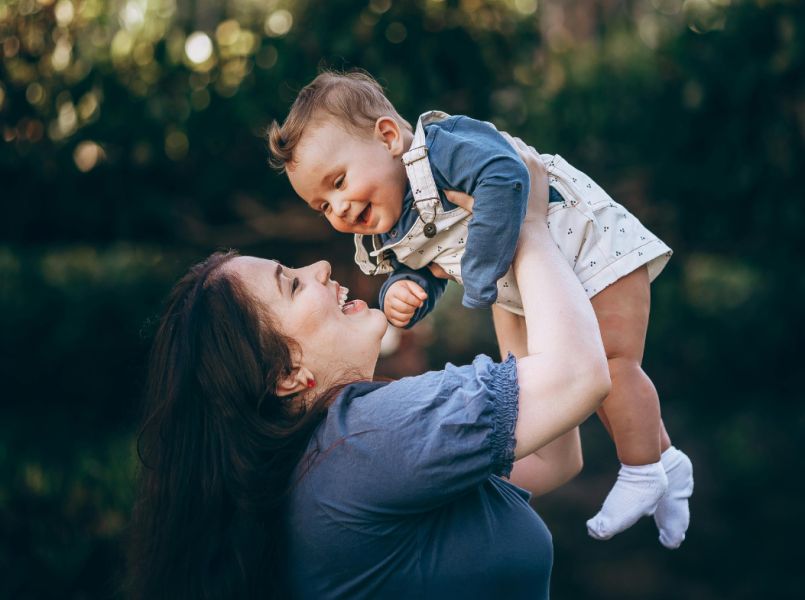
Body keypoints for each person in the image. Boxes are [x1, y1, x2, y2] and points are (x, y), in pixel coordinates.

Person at [128, 144, 610, 599]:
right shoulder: (361, 439)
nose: (318, 267)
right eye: (292, 286)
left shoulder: (324, 462)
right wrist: (523, 221)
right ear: (287, 373)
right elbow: (576, 377)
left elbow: (551, 459)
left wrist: (500, 261)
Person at [267, 70, 693, 546]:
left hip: (591, 245)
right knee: (604, 379)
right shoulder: (392, 225)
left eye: (339, 182)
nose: (339, 209)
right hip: (552, 276)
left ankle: (640, 471)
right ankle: (666, 463)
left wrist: (483, 273)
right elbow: (430, 267)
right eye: (322, 205)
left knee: (614, 366)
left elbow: (507, 174)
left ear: (388, 137)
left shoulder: (443, 149)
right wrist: (404, 292)